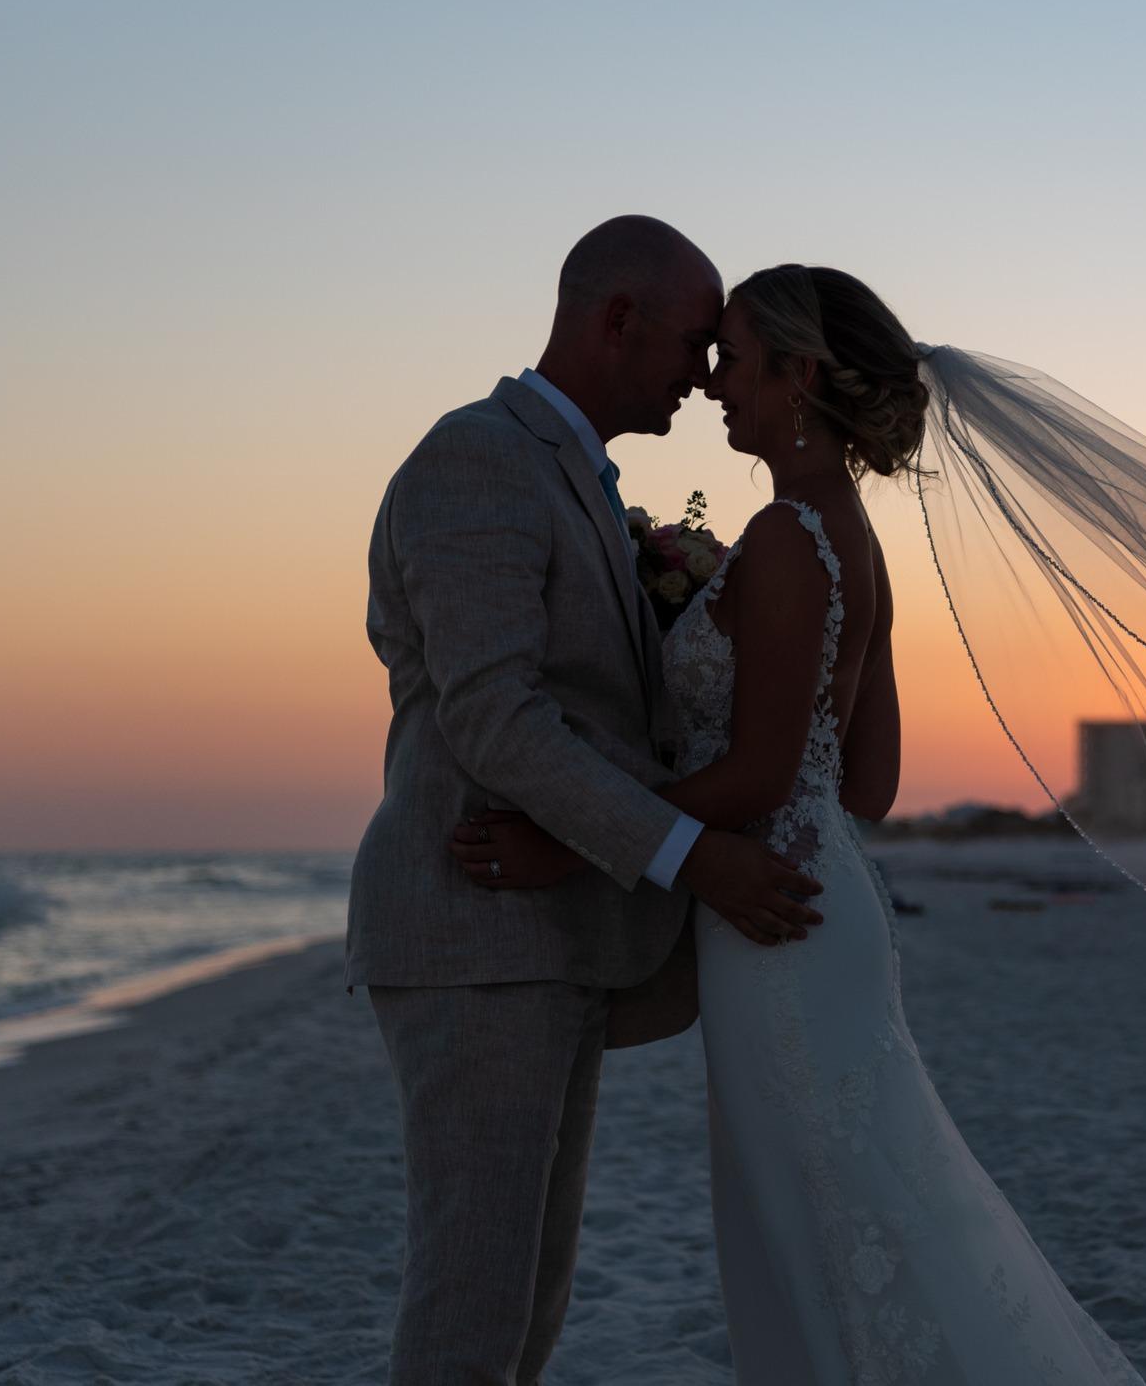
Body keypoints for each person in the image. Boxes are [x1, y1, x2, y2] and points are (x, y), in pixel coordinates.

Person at [457, 264, 1146, 1383]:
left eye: (733, 358)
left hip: (773, 921)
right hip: (821, 905)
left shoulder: (787, 534)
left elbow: (759, 773)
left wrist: (571, 840)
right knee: (858, 1215)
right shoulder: (851, 538)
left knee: (823, 1233)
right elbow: (865, 783)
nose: (712, 383)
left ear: (800, 374)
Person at [346, 219, 825, 1386]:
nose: (702, 374)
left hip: (547, 936)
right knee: (472, 1303)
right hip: (476, 926)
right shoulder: (479, 460)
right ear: (617, 320)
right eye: (694, 341)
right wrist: (689, 851)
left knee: (529, 1300)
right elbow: (494, 716)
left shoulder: (578, 481)